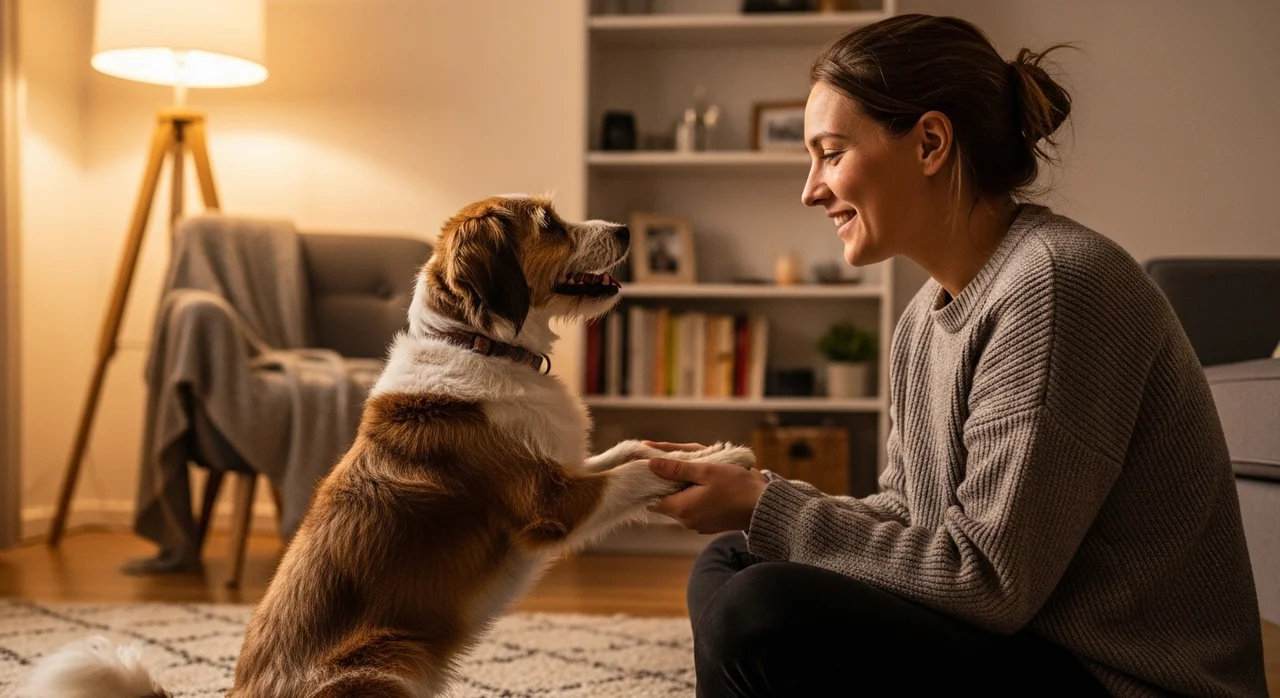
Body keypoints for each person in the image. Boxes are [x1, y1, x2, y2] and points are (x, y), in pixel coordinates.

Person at [643, 13, 1267, 698]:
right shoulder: (923, 320)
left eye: (830, 153)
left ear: (931, 143)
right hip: (1023, 642)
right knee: (730, 560)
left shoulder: (1056, 286)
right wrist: (755, 493)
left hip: (1119, 679)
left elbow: (989, 581)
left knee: (756, 611)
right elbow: (907, 514)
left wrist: (769, 504)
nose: (810, 188)